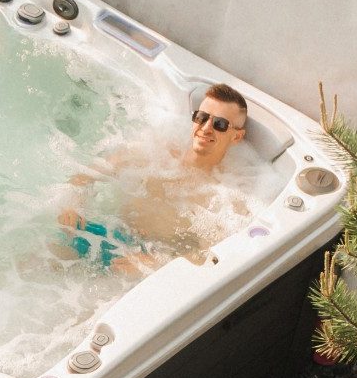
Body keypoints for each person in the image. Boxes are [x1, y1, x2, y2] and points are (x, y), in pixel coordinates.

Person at [55, 82, 253, 274]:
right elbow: (85, 175)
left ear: (236, 136)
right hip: (106, 232)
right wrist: (72, 207)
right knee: (44, 262)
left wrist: (153, 263)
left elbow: (212, 260)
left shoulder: (224, 195)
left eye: (220, 124)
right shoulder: (157, 152)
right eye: (201, 117)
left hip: (148, 266)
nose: (206, 127)